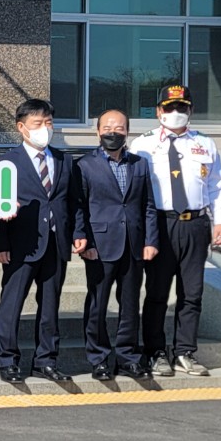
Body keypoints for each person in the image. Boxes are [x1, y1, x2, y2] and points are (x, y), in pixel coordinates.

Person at [132, 84, 221, 377]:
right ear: (158, 111)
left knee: (192, 293)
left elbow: (216, 186)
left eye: (182, 107)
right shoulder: (142, 145)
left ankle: (185, 351)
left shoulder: (205, 143)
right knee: (157, 292)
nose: (176, 112)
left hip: (196, 224)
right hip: (161, 224)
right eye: (170, 107)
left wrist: (220, 221)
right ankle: (155, 351)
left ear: (191, 110)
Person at [0, 99, 79, 384]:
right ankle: (7, 361)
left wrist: (78, 234)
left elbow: (73, 202)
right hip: (21, 244)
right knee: (12, 304)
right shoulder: (5, 163)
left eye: (48, 123)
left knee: (50, 305)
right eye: (38, 124)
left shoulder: (64, 160)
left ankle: (46, 361)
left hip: (56, 242)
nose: (44, 128)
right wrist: (0, 244)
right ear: (22, 127)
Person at [73, 109, 158, 381]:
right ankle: (98, 358)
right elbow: (79, 207)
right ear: (98, 132)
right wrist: (83, 238)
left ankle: (128, 357)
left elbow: (148, 205)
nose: (113, 132)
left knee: (130, 304)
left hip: (134, 244)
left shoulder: (139, 164)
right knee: (97, 304)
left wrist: (150, 240)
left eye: (119, 128)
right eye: (108, 128)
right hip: (100, 245)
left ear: (127, 132)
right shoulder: (84, 165)